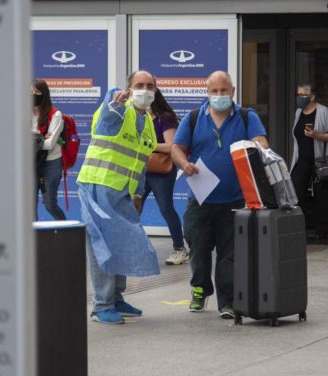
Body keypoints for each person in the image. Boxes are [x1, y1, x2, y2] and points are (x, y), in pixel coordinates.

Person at [171, 71, 268, 319]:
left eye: (224, 91)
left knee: (229, 254)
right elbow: (177, 148)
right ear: (207, 92)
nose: (219, 96)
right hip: (200, 199)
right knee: (198, 248)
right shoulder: (193, 118)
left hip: (235, 199)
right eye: (214, 91)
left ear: (233, 91)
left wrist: (258, 148)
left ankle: (227, 301)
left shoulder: (247, 117)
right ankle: (201, 289)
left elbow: (262, 143)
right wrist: (183, 164)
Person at [77, 70, 159, 325]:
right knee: (103, 247)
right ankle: (102, 305)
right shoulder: (118, 111)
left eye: (149, 86)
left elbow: (141, 162)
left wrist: (137, 193)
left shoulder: (147, 124)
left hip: (123, 192)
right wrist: (114, 103)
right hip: (98, 187)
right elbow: (107, 119)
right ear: (129, 88)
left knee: (123, 243)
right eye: (139, 85)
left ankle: (117, 298)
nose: (144, 90)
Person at [140, 88, 188, 265]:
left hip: (161, 171)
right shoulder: (139, 117)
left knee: (166, 208)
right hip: (141, 170)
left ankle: (179, 249)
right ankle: (135, 247)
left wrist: (148, 145)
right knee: (133, 209)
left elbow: (172, 146)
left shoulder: (165, 118)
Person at [289, 83, 328, 244]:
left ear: (312, 97)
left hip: (320, 161)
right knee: (295, 194)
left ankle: (321, 233)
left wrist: (316, 135)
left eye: (303, 95)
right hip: (302, 159)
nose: (299, 98)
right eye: (298, 94)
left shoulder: (323, 112)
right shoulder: (298, 113)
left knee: (321, 197)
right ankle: (298, 229)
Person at [31, 79, 66, 220]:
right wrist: (40, 138)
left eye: (37, 92)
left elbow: (50, 144)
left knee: (50, 204)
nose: (33, 95)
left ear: (44, 94)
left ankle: (65, 232)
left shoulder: (55, 115)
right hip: (31, 163)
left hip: (51, 163)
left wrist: (33, 139)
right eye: (30, 92)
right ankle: (33, 238)